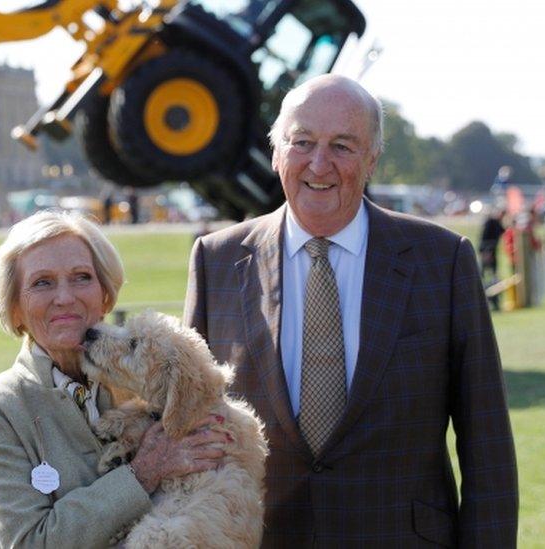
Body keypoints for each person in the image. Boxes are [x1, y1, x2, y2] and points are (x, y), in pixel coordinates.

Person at [183, 75, 518, 547]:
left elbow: (488, 449)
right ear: (277, 151)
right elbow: (187, 428)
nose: (319, 163)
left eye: (342, 145)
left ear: (372, 159)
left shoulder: (442, 261)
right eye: (302, 142)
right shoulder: (216, 260)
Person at [0, 210, 226, 548]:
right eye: (42, 282)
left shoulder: (152, 381)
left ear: (105, 293)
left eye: (81, 277)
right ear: (14, 307)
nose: (65, 297)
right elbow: (28, 542)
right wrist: (142, 474)